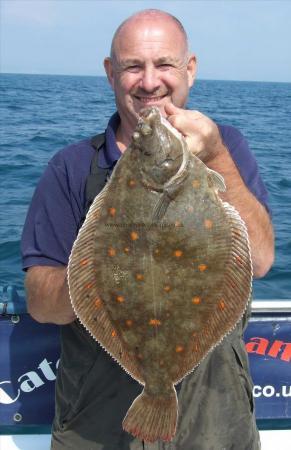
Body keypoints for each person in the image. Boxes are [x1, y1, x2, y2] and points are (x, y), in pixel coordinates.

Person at [21, 9, 274, 450]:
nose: (150, 82)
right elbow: (41, 303)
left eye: (165, 65)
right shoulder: (71, 167)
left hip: (215, 426)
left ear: (190, 69)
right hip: (98, 430)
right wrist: (96, 278)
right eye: (133, 66)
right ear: (110, 73)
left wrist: (214, 155)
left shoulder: (225, 148)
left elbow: (261, 259)